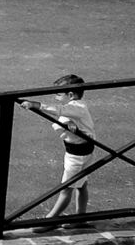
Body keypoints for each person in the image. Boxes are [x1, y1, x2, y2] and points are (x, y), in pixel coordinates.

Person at [21, 74, 97, 221]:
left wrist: (35, 105)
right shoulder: (77, 107)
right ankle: (80, 218)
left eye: (58, 94)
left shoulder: (75, 108)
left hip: (77, 155)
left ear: (70, 95)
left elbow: (58, 110)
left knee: (66, 189)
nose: (56, 97)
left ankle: (50, 220)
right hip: (83, 150)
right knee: (81, 185)